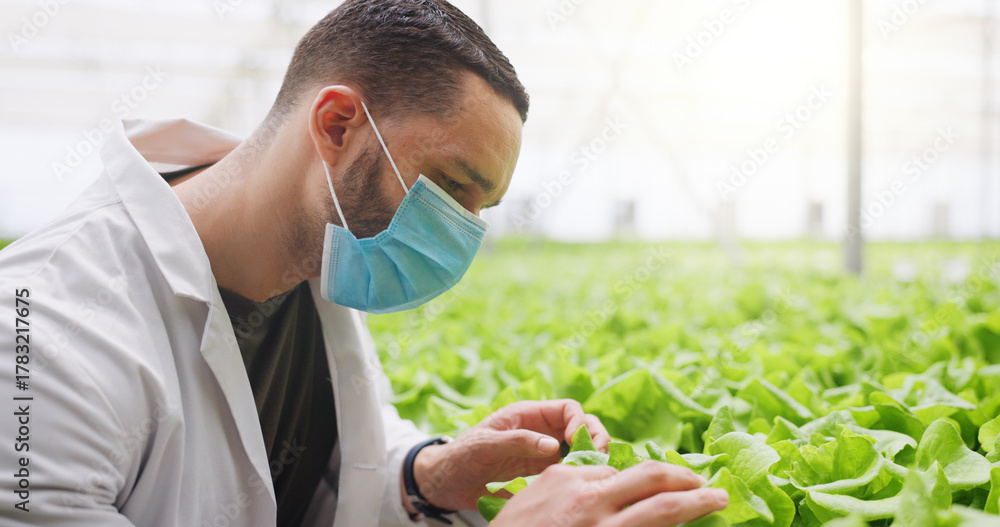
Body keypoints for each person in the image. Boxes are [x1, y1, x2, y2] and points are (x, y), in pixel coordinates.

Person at [0, 1, 728, 525]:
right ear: (338, 124)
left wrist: (429, 475)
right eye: (450, 186)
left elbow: (321, 480)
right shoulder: (39, 340)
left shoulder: (325, 260)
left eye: (482, 207)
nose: (459, 233)